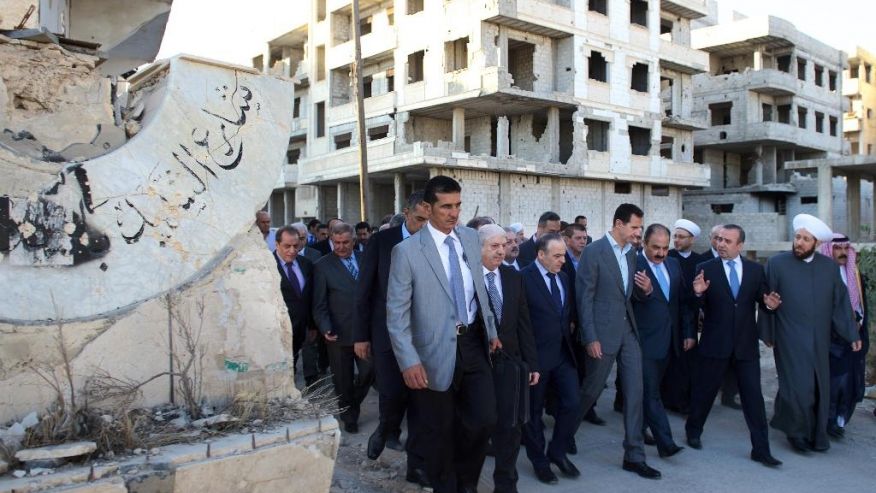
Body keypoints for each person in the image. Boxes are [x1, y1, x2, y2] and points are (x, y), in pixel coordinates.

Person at [386, 175, 500, 493]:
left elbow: (479, 289)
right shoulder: (407, 252)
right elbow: (396, 315)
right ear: (428, 207)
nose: (454, 213)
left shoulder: (469, 238)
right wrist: (408, 361)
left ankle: (466, 483)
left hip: (473, 344)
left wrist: (490, 329)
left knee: (484, 419)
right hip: (432, 352)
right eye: (446, 206)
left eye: (458, 205)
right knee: (439, 431)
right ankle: (445, 487)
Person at [760, 214, 862, 453]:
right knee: (797, 386)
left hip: (819, 339)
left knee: (818, 386)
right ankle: (796, 434)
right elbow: (766, 299)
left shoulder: (828, 268)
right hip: (789, 337)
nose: (800, 243)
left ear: (816, 244)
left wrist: (852, 335)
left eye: (806, 239)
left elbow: (840, 305)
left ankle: (815, 436)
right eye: (798, 237)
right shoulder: (777, 264)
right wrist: (768, 331)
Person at [684, 225, 782, 468]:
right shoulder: (705, 269)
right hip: (714, 344)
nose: (721, 244)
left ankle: (761, 449)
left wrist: (769, 304)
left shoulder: (755, 270)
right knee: (705, 391)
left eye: (727, 241)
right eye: (719, 239)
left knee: (753, 398)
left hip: (745, 346)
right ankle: (693, 431)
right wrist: (697, 294)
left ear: (740, 245)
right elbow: (693, 305)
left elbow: (763, 298)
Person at [576, 203, 661, 479]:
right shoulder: (593, 251)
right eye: (635, 227)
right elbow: (584, 298)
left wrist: (646, 291)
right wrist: (590, 336)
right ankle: (564, 434)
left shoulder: (633, 254)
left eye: (640, 227)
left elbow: (629, 296)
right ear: (619, 224)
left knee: (635, 392)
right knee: (591, 389)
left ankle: (634, 455)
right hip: (601, 334)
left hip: (628, 331)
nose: (639, 232)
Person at [353, 191, 430, 487]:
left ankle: (416, 466)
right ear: (407, 213)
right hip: (385, 333)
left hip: (423, 336)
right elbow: (364, 291)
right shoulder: (382, 242)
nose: (425, 226)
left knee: (420, 403)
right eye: (420, 219)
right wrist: (361, 336)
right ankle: (385, 428)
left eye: (429, 220)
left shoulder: (436, 244)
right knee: (392, 392)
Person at [479, 224, 540, 493]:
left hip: (511, 366)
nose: (502, 251)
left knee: (511, 428)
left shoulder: (514, 277)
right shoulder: (466, 279)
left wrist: (531, 363)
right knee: (478, 427)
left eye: (504, 245)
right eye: (495, 246)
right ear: (478, 248)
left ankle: (506, 484)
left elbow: (524, 323)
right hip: (477, 367)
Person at [519, 233, 580, 485]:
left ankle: (557, 452)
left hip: (562, 355)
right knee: (533, 414)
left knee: (573, 403)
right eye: (556, 256)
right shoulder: (522, 279)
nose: (562, 261)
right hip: (535, 359)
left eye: (564, 255)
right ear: (540, 255)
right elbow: (520, 324)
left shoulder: (564, 278)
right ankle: (540, 462)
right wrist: (529, 361)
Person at [632, 224, 690, 458]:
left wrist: (687, 333)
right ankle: (666, 443)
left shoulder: (674, 264)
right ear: (644, 244)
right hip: (644, 342)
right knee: (651, 393)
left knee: (652, 391)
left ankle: (642, 428)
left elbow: (681, 302)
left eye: (665, 248)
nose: (661, 253)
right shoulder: (633, 265)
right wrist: (643, 293)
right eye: (655, 247)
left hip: (670, 341)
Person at [312, 222, 374, 433]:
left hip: (365, 333)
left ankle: (351, 402)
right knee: (342, 379)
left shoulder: (366, 259)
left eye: (345, 242)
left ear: (354, 240)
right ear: (331, 240)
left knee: (370, 371)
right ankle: (349, 416)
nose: (340, 247)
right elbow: (319, 304)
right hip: (338, 334)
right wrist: (325, 327)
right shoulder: (322, 266)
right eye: (336, 242)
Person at [819, 234, 870, 437]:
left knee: (852, 382)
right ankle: (829, 420)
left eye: (845, 248)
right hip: (832, 340)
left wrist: (859, 325)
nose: (841, 252)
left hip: (854, 339)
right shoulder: (822, 275)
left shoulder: (855, 274)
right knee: (835, 382)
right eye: (837, 248)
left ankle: (841, 419)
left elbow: (861, 306)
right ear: (828, 250)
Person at [561, 223, 605, 427]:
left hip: (588, 323)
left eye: (584, 238)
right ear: (567, 240)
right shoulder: (562, 261)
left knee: (590, 370)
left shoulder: (590, 258)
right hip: (569, 324)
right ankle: (566, 411)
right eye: (578, 238)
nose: (582, 242)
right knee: (573, 370)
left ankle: (589, 409)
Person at [664, 219, 703, 414]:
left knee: (687, 362)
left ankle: (682, 401)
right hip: (668, 316)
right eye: (675, 236)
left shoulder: (700, 261)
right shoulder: (667, 256)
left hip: (690, 318)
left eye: (681, 237)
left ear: (692, 239)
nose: (676, 241)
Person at [274, 226, 315, 379]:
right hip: (277, 331)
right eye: (287, 246)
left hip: (301, 329)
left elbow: (310, 297)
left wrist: (312, 326)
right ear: (277, 245)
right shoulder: (267, 267)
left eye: (295, 246)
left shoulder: (306, 264)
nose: (292, 250)